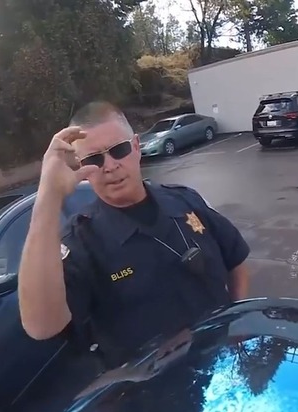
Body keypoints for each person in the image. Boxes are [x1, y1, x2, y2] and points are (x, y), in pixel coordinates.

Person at [18, 101, 250, 364]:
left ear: (137, 147)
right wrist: (49, 195)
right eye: (94, 159)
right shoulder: (83, 241)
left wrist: (237, 323)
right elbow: (41, 326)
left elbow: (236, 259)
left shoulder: (185, 201)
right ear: (81, 170)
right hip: (156, 396)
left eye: (119, 150)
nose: (110, 166)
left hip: (223, 367)